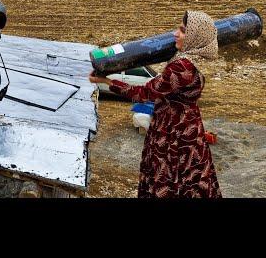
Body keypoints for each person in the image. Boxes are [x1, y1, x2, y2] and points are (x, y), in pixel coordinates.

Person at [89, 11, 222, 198]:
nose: (175, 33)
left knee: (167, 179)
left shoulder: (181, 67)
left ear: (194, 37)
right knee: (190, 179)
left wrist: (108, 82)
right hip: (189, 128)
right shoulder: (196, 59)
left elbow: (146, 93)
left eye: (183, 31)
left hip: (173, 133)